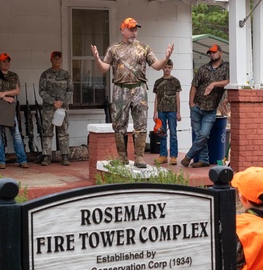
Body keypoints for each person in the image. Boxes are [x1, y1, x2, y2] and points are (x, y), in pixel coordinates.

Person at [91, 17, 174, 168]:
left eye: (135, 29)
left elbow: (156, 65)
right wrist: (97, 58)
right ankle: (122, 157)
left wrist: (166, 58)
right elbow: (104, 68)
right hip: (120, 89)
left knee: (140, 124)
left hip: (139, 88)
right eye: (130, 29)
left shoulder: (144, 48)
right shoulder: (114, 48)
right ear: (122, 30)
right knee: (119, 125)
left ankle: (139, 158)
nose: (133, 32)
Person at [181, 43, 229, 168]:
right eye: (210, 53)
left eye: (214, 52)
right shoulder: (203, 69)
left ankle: (188, 156)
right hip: (196, 106)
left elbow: (228, 81)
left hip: (211, 109)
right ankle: (203, 159)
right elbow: (194, 86)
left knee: (203, 134)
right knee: (199, 136)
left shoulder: (227, 68)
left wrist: (214, 84)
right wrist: (191, 103)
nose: (212, 55)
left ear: (220, 52)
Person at [0, 53, 29, 169]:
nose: (6, 63)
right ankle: (1, 161)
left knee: (16, 134)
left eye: (8, 61)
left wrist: (4, 93)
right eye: (4, 61)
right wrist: (4, 98)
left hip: (10, 108)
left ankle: (22, 160)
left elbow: (17, 91)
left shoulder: (13, 75)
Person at [38, 50, 73, 166]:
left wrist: (61, 102)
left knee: (63, 132)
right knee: (47, 132)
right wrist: (53, 102)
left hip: (62, 109)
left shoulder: (66, 75)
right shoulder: (45, 75)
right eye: (55, 58)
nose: (57, 60)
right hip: (49, 109)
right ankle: (47, 156)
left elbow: (70, 91)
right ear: (51, 60)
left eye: (59, 58)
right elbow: (42, 91)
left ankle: (65, 156)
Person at [152, 58, 182, 165]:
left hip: (172, 111)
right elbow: (156, 98)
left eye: (169, 67)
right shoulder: (158, 82)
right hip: (161, 110)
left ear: (172, 68)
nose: (167, 69)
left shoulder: (175, 81)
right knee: (161, 133)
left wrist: (178, 112)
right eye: (165, 67)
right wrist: (154, 112)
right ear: (162, 68)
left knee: (173, 133)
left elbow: (178, 97)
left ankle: (173, 156)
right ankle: (163, 155)